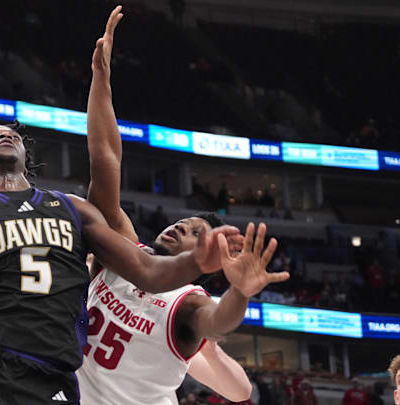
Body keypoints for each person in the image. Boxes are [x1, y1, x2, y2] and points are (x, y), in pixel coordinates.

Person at [0, 65, 239, 403]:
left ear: (27, 158)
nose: (4, 135)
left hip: (46, 375)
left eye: (11, 134)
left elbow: (145, 268)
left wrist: (197, 262)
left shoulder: (73, 208)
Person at [77, 7, 286, 405]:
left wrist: (239, 294)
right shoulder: (123, 253)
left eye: (194, 233)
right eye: (183, 222)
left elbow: (218, 322)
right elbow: (105, 160)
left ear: (207, 257)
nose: (179, 228)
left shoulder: (189, 303)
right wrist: (100, 80)